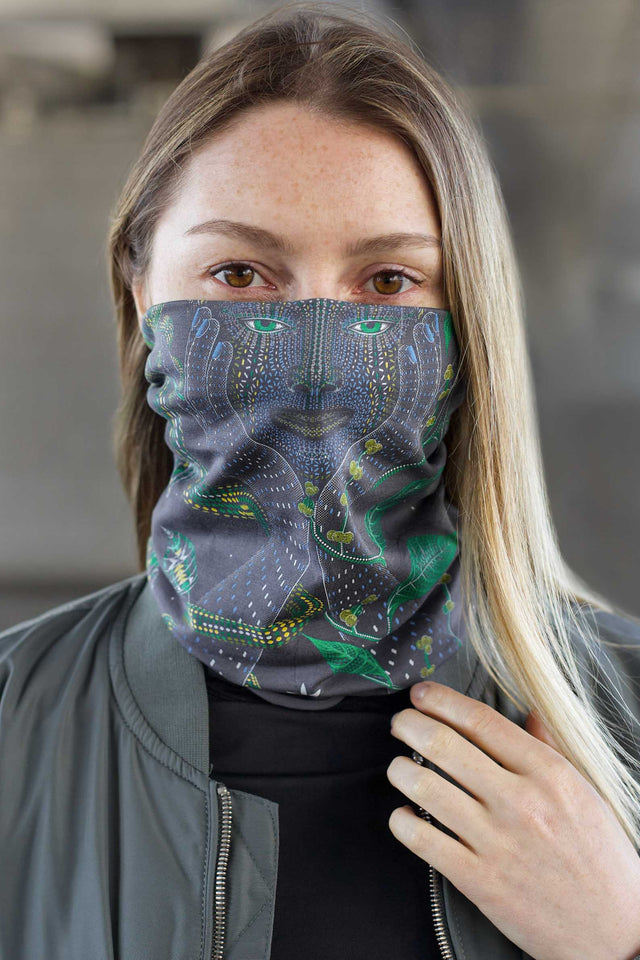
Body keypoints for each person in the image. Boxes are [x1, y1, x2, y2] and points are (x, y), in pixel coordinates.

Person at [2, 3, 640, 958]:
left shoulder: (627, 712)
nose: (310, 358)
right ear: (143, 293)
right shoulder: (13, 725)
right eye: (239, 274)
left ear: (467, 325)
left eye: (387, 282)